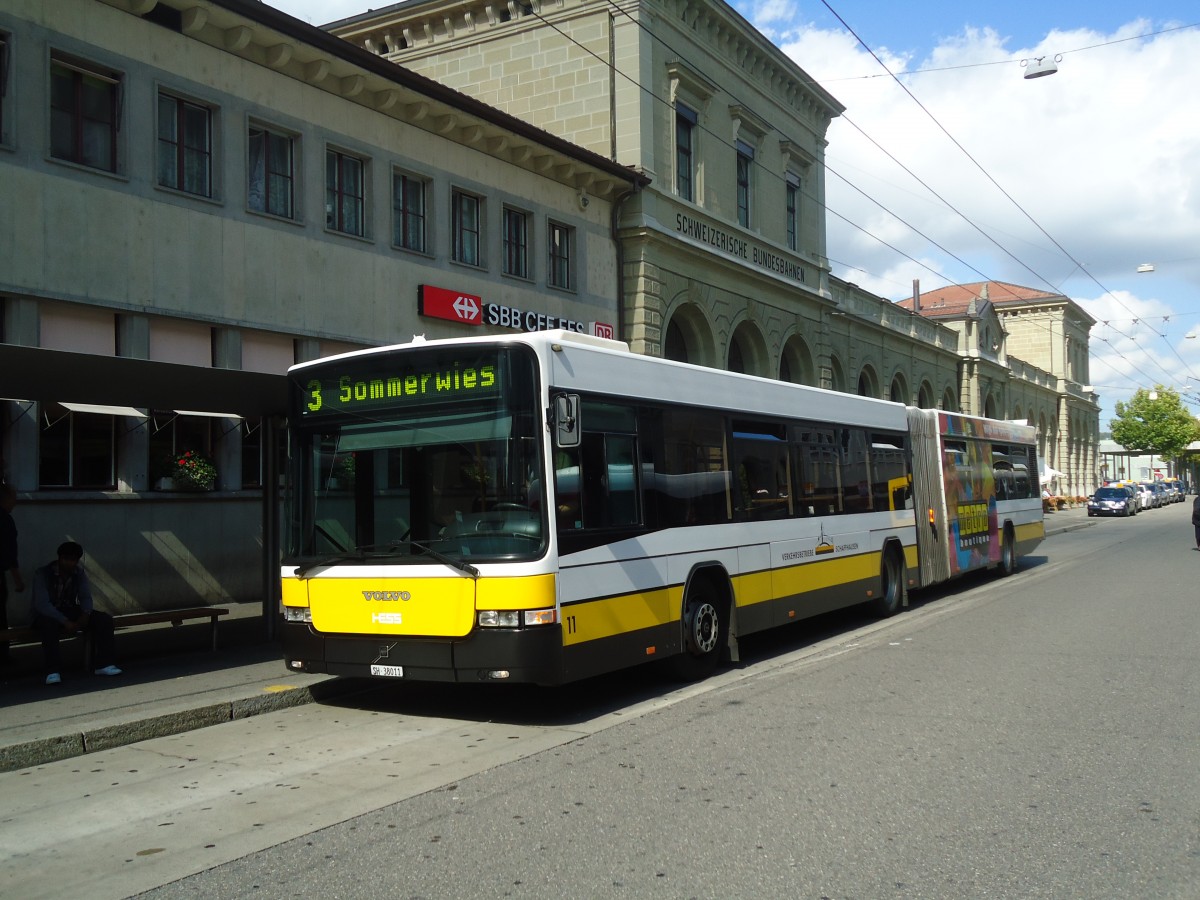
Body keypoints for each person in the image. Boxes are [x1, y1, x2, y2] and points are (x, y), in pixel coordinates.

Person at [31, 541, 121, 684]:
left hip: (69, 609)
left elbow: (85, 596)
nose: (69, 563)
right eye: (66, 559)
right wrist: (64, 621)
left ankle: (104, 664)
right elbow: (42, 604)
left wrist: (85, 614)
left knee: (104, 619)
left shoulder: (78, 573)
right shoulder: (43, 573)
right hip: (47, 614)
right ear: (60, 558)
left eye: (73, 560)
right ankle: (52, 671)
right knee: (49, 626)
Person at [0, 484, 26, 665]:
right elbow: (9, 553)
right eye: (13, 498)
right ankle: (2, 654)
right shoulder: (5, 520)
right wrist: (18, 579)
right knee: (0, 616)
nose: (15, 502)